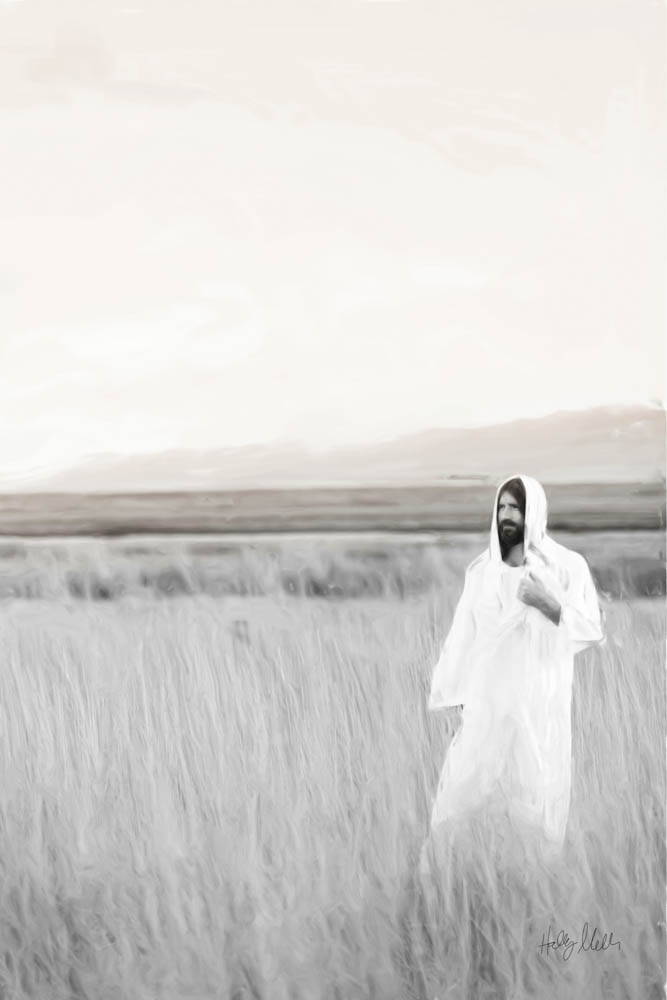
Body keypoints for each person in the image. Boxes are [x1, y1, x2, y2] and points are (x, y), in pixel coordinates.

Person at [425, 473, 604, 859]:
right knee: (457, 808)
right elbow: (462, 638)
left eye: (516, 508)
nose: (507, 515)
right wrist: (456, 696)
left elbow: (591, 627)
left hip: (537, 711)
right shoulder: (482, 573)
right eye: (502, 506)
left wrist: (548, 603)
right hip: (486, 710)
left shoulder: (565, 568)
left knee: (532, 809)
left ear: (533, 513)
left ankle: (529, 895)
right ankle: (451, 889)